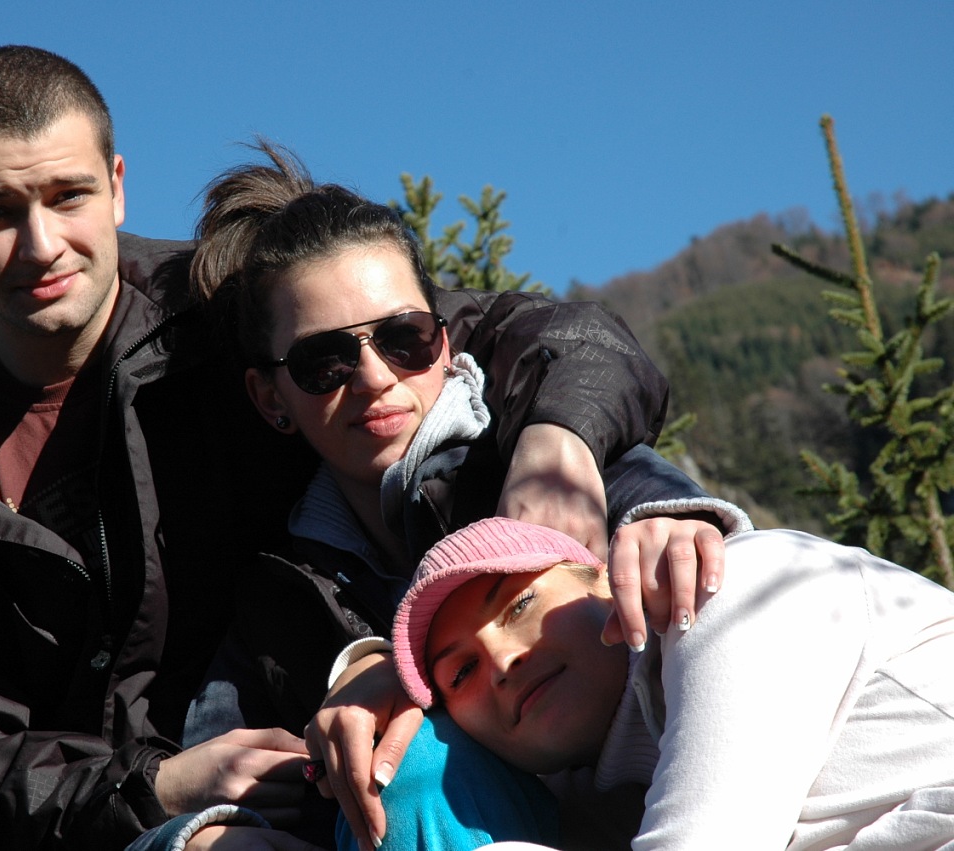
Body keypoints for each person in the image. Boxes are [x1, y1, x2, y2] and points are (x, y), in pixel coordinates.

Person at [0, 47, 683, 850]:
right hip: (152, 830)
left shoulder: (231, 305)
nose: (41, 244)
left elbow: (530, 339)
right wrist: (156, 791)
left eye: (68, 196)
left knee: (410, 775)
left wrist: (559, 440)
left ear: (117, 185)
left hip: (332, 779)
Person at [128, 143, 745, 850]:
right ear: (270, 397)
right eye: (324, 360)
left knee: (418, 771)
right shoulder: (279, 595)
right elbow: (226, 778)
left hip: (696, 810)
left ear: (445, 343)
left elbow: (677, 521)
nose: (373, 378)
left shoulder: (526, 450)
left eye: (403, 338)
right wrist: (205, 833)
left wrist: (673, 521)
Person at [390, 516, 954, 849]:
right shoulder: (593, 790)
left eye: (521, 604)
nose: (502, 660)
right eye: (461, 672)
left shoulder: (733, 591)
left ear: (606, 582)